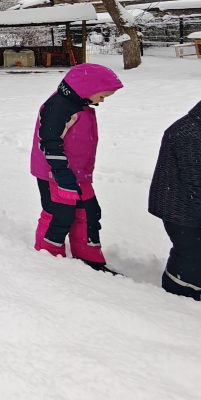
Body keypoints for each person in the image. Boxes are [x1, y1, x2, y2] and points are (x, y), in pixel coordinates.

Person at [30, 63, 122, 269]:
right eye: (103, 95)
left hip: (79, 174)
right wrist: (60, 172)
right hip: (55, 173)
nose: (103, 100)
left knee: (89, 212)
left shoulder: (79, 103)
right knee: (60, 213)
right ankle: (49, 256)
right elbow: (49, 141)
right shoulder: (58, 107)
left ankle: (88, 256)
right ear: (88, 88)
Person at [149, 87, 201, 305]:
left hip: (193, 206)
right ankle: (184, 294)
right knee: (199, 253)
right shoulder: (195, 137)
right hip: (183, 209)